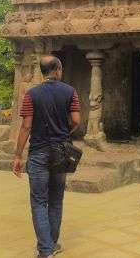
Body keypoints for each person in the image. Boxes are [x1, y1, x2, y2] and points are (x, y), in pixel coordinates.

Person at [13, 55, 81, 258]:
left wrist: (18, 155)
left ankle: (46, 250)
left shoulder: (31, 94)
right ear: (58, 69)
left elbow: (26, 126)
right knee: (56, 200)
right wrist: (64, 131)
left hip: (38, 153)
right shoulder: (70, 92)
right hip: (61, 152)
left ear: (43, 72)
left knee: (39, 202)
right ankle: (51, 244)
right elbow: (77, 120)